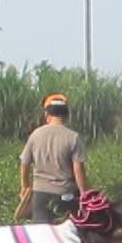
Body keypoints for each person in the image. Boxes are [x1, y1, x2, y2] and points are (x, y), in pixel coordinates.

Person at [17, 93, 89, 223]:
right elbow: (78, 171)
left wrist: (25, 186)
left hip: (40, 194)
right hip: (65, 194)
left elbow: (24, 163)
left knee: (40, 234)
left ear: (47, 115)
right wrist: (85, 195)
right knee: (66, 235)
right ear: (66, 116)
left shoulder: (35, 134)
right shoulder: (73, 137)